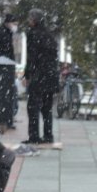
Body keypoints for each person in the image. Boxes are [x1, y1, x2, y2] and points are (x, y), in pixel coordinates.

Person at [23, 8, 59, 144]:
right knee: (47, 107)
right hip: (50, 75)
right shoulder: (49, 35)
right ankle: (48, 136)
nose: (28, 21)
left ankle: (34, 136)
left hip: (39, 76)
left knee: (33, 107)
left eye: (30, 18)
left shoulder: (33, 34)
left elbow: (31, 57)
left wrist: (27, 75)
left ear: (34, 20)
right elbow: (53, 56)